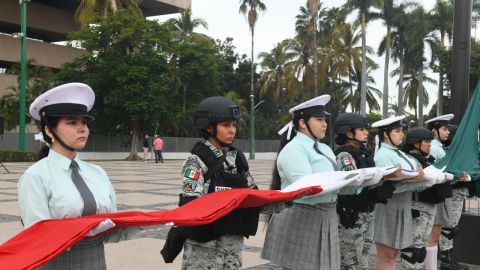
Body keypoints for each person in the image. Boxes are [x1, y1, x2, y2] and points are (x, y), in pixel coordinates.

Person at [18, 83, 132, 269]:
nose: (82, 129)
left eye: (84, 123)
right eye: (72, 122)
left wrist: (148, 222)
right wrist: (84, 230)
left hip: (96, 263)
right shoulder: (36, 176)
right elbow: (37, 237)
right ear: (49, 130)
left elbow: (111, 231)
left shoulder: (97, 173)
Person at [178, 96, 260, 270]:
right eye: (226, 125)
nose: (232, 130)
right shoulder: (196, 161)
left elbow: (255, 197)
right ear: (208, 127)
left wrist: (287, 198)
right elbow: (191, 203)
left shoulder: (237, 159)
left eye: (234, 125)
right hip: (204, 249)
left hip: (233, 248)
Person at [261, 95, 342, 270]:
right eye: (319, 119)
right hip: (301, 215)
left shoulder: (324, 148)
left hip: (325, 214)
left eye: (325, 120)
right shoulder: (294, 149)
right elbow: (307, 186)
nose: (324, 124)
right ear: (303, 123)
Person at [333, 113, 396, 270]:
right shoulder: (344, 155)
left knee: (364, 260)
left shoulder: (364, 153)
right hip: (352, 215)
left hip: (367, 213)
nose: (366, 132)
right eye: (361, 129)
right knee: (350, 262)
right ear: (348, 133)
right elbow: (352, 180)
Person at [371, 116, 425, 270]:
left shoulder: (398, 153)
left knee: (395, 253)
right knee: (386, 254)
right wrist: (409, 180)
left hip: (403, 203)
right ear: (386, 134)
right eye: (397, 131)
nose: (402, 134)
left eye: (402, 131)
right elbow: (384, 186)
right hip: (389, 205)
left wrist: (415, 179)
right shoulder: (383, 155)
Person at [400, 127, 452, 270]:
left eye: (430, 141)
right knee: (413, 251)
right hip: (417, 206)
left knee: (421, 249)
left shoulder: (428, 160)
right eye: (427, 141)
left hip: (430, 205)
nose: (430, 144)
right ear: (416, 143)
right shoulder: (410, 161)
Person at [425, 114, 468, 270]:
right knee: (435, 234)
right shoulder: (435, 148)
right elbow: (439, 171)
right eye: (444, 129)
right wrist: (457, 176)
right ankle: (442, 263)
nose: (448, 132)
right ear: (434, 131)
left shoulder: (438, 147)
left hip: (440, 192)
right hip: (435, 193)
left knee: (437, 234)